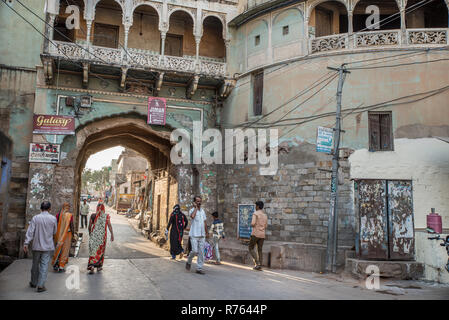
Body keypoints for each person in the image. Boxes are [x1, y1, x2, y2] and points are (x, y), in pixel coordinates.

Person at [23, 201, 57, 292]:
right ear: (49, 209)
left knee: (35, 265)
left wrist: (26, 243)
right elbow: (54, 232)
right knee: (44, 265)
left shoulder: (35, 218)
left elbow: (30, 232)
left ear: (41, 208)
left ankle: (34, 282)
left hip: (36, 246)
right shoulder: (53, 219)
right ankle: (41, 285)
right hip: (48, 246)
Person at [87, 203, 114, 274]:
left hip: (93, 237)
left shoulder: (93, 215)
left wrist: (90, 234)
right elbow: (109, 225)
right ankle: (99, 266)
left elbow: (89, 226)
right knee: (100, 251)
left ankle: (92, 265)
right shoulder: (106, 216)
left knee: (93, 251)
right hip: (102, 238)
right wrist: (112, 234)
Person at [186, 196, 208, 275]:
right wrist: (195, 208)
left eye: (200, 201)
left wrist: (207, 232)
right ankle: (189, 261)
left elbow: (205, 222)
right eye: (197, 201)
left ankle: (199, 268)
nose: (199, 202)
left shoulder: (202, 211)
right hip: (194, 234)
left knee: (201, 252)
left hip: (202, 235)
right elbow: (192, 216)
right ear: (194, 202)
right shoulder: (192, 210)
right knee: (194, 251)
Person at [51, 202, 74, 273]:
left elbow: (55, 225)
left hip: (58, 234)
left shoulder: (58, 215)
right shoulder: (69, 215)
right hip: (67, 235)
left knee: (58, 248)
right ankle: (61, 266)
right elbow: (71, 226)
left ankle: (55, 264)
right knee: (65, 250)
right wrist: (73, 234)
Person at [249, 201, 268, 271]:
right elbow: (266, 226)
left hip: (255, 234)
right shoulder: (265, 215)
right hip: (262, 234)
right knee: (259, 250)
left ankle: (257, 263)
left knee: (250, 248)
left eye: (255, 206)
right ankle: (260, 265)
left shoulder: (255, 213)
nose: (255, 207)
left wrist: (251, 225)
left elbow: (253, 223)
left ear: (258, 206)